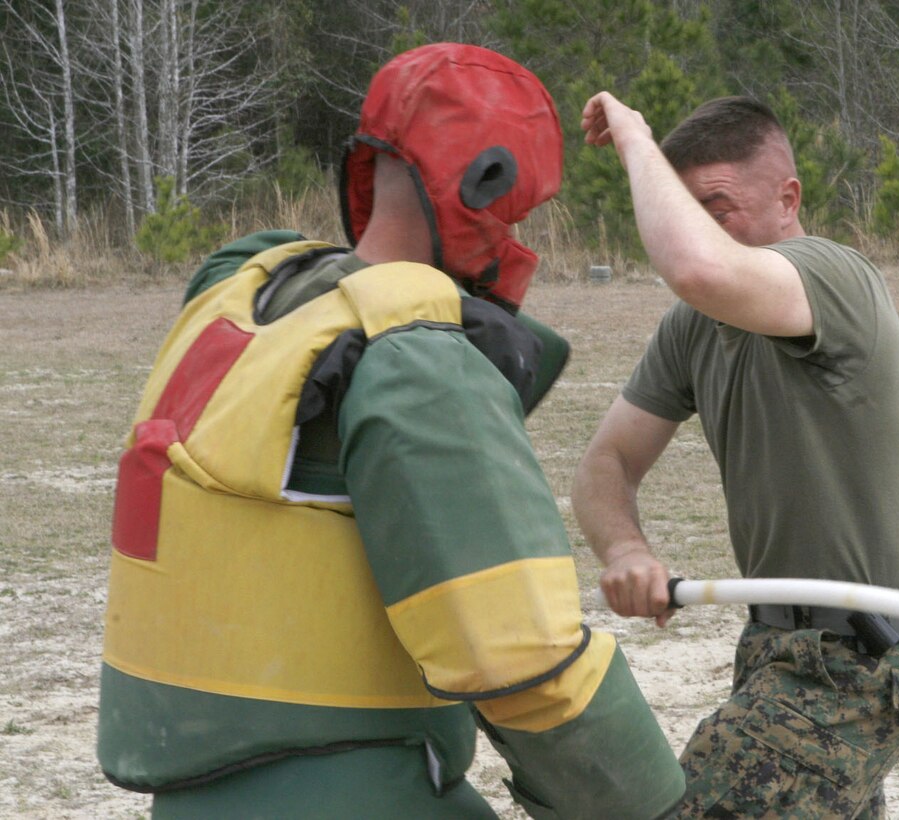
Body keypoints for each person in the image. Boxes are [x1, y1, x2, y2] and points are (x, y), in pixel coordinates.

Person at [97, 45, 685, 819]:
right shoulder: (409, 354)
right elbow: (520, 657)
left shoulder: (247, 291)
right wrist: (662, 808)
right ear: (488, 187)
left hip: (200, 795)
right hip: (353, 789)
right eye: (521, 214)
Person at [572, 91, 899, 818]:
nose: (698, 231)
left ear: (787, 197)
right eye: (683, 211)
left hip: (860, 660)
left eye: (714, 206)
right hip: (771, 647)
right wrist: (624, 549)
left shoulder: (833, 276)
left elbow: (696, 268)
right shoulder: (692, 327)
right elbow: (604, 464)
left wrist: (635, 137)